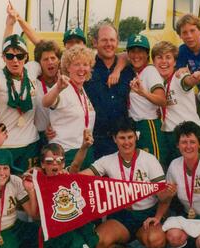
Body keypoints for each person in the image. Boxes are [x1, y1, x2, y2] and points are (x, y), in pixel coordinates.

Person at [80, 119, 168, 248]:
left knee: (155, 241)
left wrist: (164, 201)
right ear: (115, 139)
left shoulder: (149, 160)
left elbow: (163, 196)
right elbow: (80, 177)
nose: (127, 142)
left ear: (136, 137)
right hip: (121, 217)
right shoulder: (107, 160)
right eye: (122, 138)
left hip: (146, 214)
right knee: (99, 241)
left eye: (130, 137)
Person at [84, 22, 135, 160]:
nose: (109, 44)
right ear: (95, 42)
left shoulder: (128, 69)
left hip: (122, 142)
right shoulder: (86, 67)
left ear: (117, 42)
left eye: (112, 40)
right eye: (104, 40)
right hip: (95, 142)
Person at [0, 34, 42, 174]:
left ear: (26, 57)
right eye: (9, 56)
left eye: (20, 56)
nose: (15, 60)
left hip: (31, 143)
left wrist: (18, 20)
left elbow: (44, 46)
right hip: (6, 145)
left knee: (28, 188)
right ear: (3, 57)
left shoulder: (33, 69)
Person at [152, 41, 200, 166]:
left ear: (175, 62)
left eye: (168, 57)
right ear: (153, 62)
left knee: (198, 173)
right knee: (174, 175)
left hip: (189, 134)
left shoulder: (179, 75)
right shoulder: (157, 82)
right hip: (168, 135)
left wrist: (194, 78)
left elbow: (187, 81)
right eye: (159, 57)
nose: (164, 61)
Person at [42, 45, 96, 169]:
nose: (82, 69)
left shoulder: (82, 90)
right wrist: (58, 89)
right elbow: (46, 102)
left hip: (85, 150)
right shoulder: (63, 87)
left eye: (85, 64)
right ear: (68, 67)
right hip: (66, 153)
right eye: (77, 64)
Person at [162, 121, 200, 248]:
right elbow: (167, 197)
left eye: (192, 142)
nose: (188, 146)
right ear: (177, 145)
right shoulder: (174, 165)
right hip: (189, 216)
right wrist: (158, 217)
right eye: (184, 142)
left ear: (199, 143)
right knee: (173, 236)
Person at [126, 34, 167, 167]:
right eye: (133, 51)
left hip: (149, 126)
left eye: (140, 51)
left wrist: (144, 93)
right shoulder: (135, 72)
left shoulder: (150, 71)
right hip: (136, 125)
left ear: (147, 54)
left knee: (154, 164)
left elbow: (162, 100)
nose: (136, 55)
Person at [175, 14, 200, 98]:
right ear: (180, 36)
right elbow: (179, 73)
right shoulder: (182, 50)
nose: (189, 36)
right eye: (184, 32)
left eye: (192, 31)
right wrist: (182, 71)